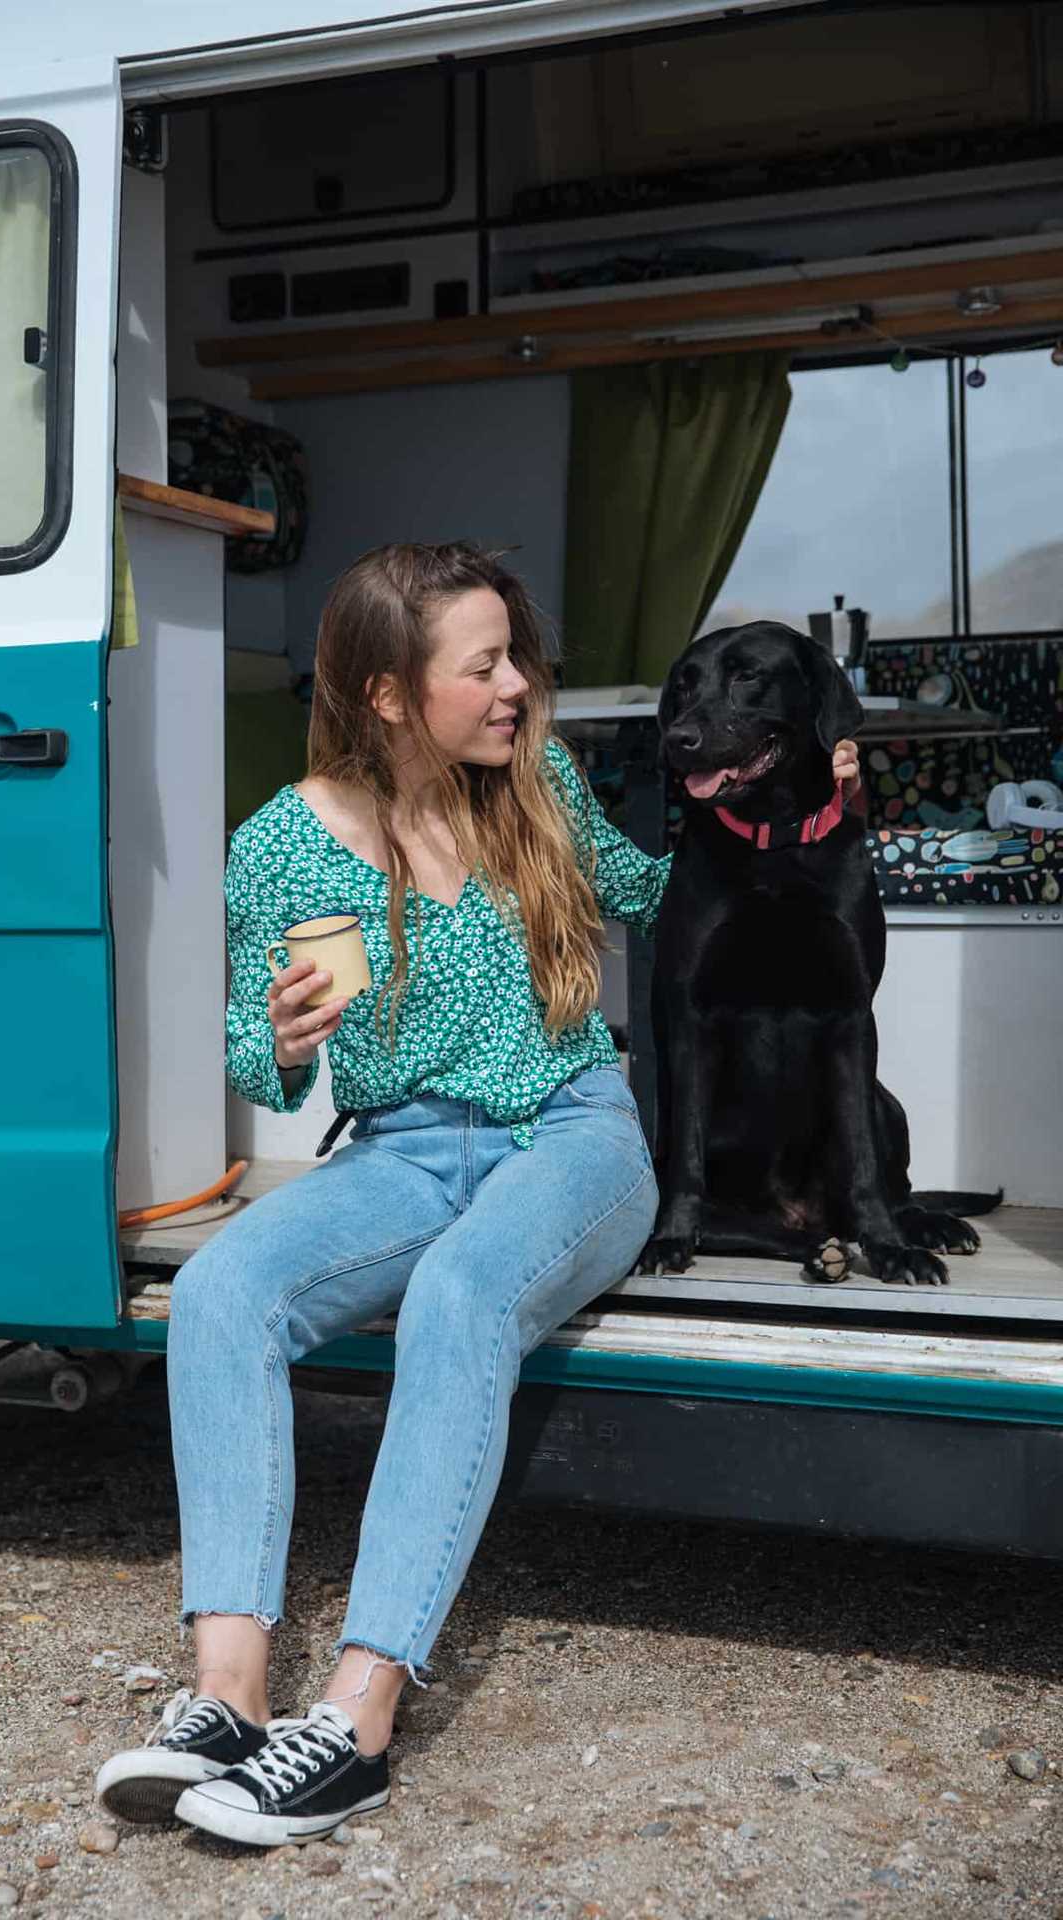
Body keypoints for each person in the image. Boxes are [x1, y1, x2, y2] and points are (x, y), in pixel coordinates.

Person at [95, 544, 861, 1849]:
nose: (519, 686)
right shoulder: (284, 845)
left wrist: (801, 815)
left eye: (515, 656)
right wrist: (280, 1038)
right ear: (390, 694)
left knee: (462, 1294)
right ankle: (226, 1696)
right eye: (486, 664)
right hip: (403, 1149)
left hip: (574, 1137)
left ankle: (357, 1716)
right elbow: (254, 1060)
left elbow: (660, 894)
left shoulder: (538, 784)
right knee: (223, 1286)